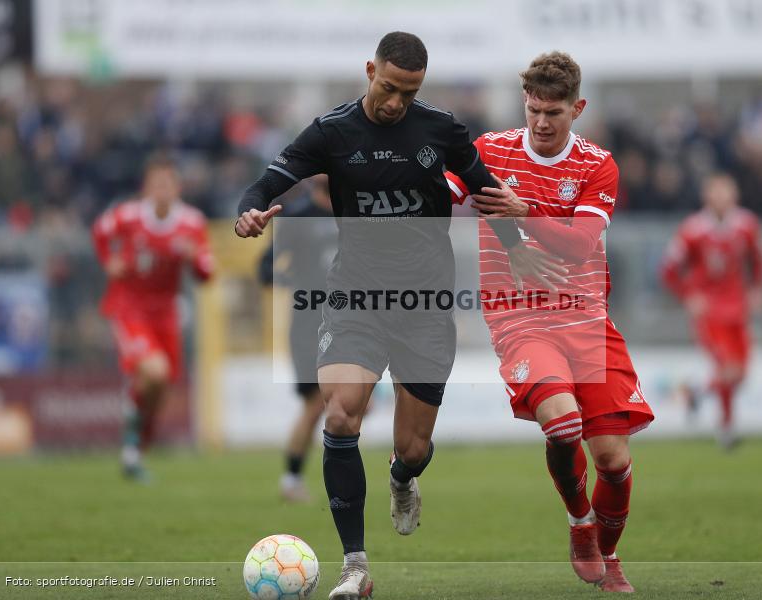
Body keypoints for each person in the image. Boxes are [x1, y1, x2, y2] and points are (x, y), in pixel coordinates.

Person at [235, 32, 559, 600]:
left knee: (412, 448)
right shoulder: (332, 132)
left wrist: (516, 247)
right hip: (356, 297)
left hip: (425, 305)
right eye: (388, 88)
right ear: (370, 71)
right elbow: (267, 181)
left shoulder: (441, 130)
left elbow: (483, 188)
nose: (395, 103)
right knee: (340, 414)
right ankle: (355, 566)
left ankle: (402, 477)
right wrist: (250, 212)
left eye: (408, 93)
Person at [445, 51, 654, 593]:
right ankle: (580, 521)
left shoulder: (596, 164)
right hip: (520, 319)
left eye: (553, 112)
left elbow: (583, 242)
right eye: (534, 109)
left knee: (613, 459)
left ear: (577, 108)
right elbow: (442, 193)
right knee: (562, 425)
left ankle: (607, 557)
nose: (540, 121)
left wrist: (524, 213)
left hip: (586, 320)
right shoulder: (489, 152)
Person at [92, 154, 215, 480]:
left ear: (177, 188)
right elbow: (100, 232)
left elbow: (207, 273)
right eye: (156, 184)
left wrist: (196, 260)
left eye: (168, 183)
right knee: (155, 372)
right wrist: (110, 261)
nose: (162, 190)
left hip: (166, 313)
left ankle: (134, 452)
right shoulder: (128, 217)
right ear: (146, 188)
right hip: (128, 307)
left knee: (159, 390)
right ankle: (132, 445)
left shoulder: (191, 222)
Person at [661, 172, 762, 449]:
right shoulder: (692, 230)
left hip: (738, 309)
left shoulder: (746, 225)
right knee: (727, 369)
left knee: (740, 373)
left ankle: (696, 393)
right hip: (709, 313)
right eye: (716, 193)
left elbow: (757, 260)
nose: (721, 199)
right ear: (707, 197)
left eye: (726, 193)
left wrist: (756, 290)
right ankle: (727, 431)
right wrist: (689, 296)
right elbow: (669, 269)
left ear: (735, 196)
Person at [258, 175, 336, 502]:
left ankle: (303, 479)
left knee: (345, 401)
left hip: (350, 321)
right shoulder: (296, 216)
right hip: (308, 325)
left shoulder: (357, 208)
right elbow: (264, 268)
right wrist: (296, 281)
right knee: (316, 404)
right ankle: (291, 479)